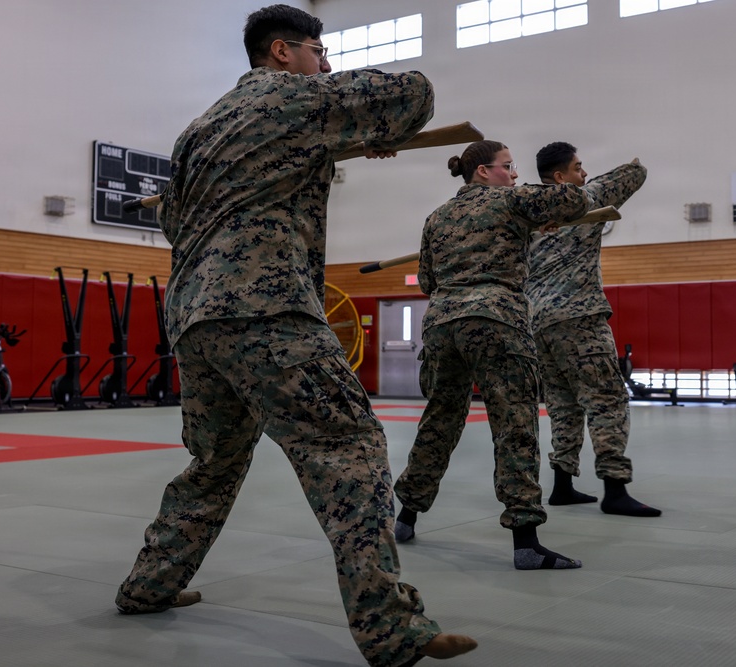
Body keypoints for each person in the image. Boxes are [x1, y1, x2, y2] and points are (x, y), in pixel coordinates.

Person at [114, 5, 475, 666]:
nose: (326, 63)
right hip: (267, 306)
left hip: (194, 316)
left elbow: (180, 225)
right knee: (350, 447)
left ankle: (148, 583)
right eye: (319, 51)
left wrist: (344, 140)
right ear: (282, 52)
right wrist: (363, 124)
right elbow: (413, 94)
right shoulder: (293, 97)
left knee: (213, 463)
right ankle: (389, 627)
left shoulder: (199, 131)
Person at [393, 140, 591, 571]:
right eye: (508, 166)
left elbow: (426, 279)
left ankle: (406, 516)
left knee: (440, 418)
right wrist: (541, 213)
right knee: (514, 422)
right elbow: (576, 197)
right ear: (483, 171)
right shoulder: (511, 200)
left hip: (443, 323)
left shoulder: (438, 216)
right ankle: (526, 542)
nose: (515, 174)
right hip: (496, 319)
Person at [526, 141, 661, 518]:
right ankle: (615, 489)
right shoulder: (580, 201)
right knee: (607, 399)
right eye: (578, 167)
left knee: (562, 404)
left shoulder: (525, 215)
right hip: (579, 318)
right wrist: (599, 181)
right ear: (560, 177)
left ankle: (562, 485)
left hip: (538, 324)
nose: (583, 173)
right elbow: (634, 175)